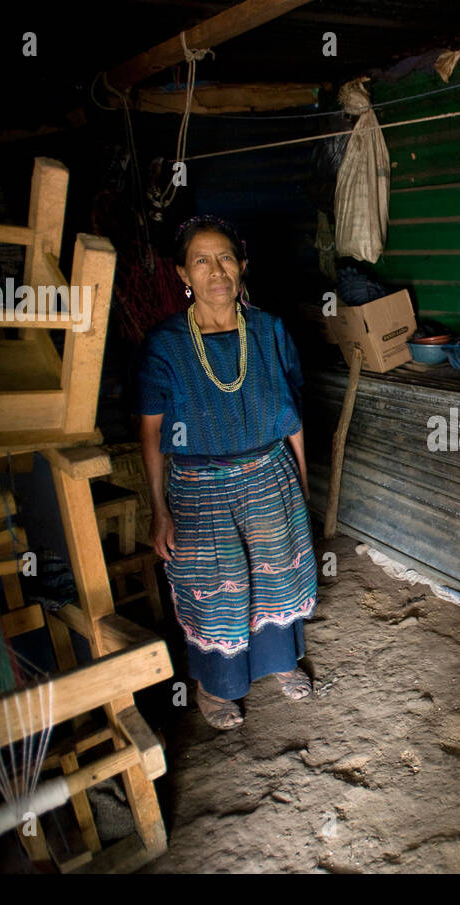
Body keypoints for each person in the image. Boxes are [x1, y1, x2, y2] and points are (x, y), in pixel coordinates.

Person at [136, 215, 318, 730]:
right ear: (182, 274)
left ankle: (281, 662)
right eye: (201, 260)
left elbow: (291, 415)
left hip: (267, 476)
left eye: (225, 258)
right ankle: (214, 687)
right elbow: (150, 434)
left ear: (240, 267)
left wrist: (301, 485)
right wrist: (158, 509)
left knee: (275, 580)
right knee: (220, 589)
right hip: (199, 490)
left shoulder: (268, 330)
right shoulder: (165, 344)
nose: (216, 271)